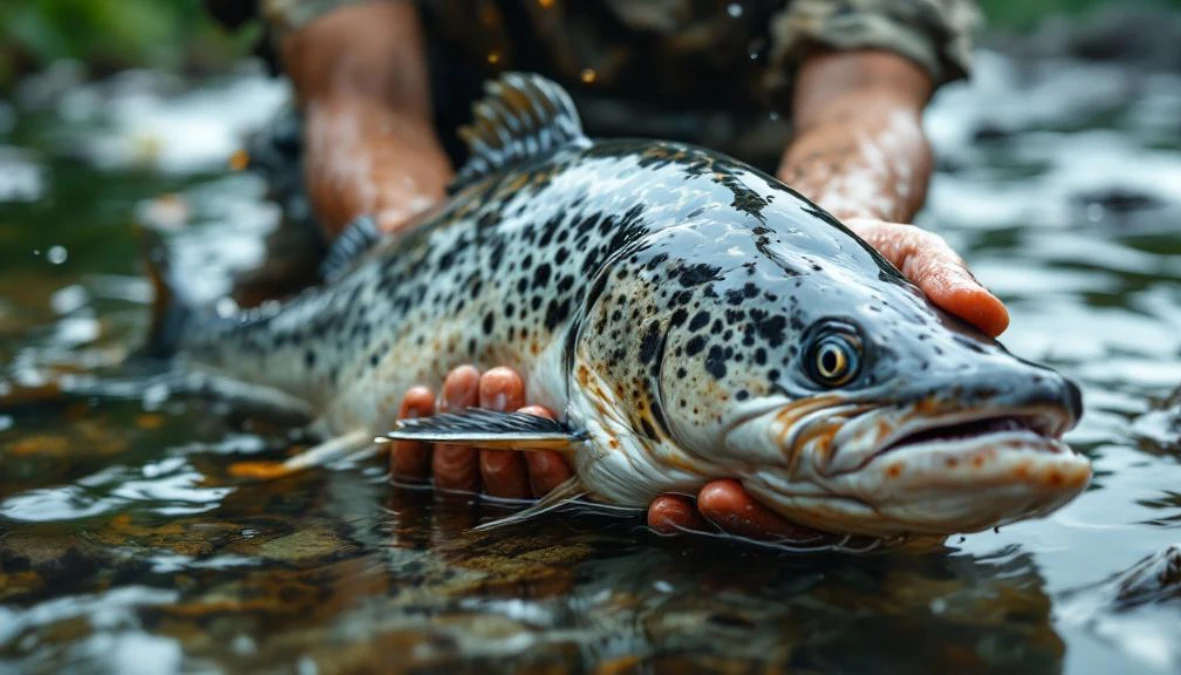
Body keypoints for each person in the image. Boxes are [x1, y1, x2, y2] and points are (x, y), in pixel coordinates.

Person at [206, 0, 1009, 542]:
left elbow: (864, 100)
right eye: (830, 365)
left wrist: (842, 234)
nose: (831, 371)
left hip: (748, 197)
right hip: (428, 194)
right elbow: (362, 102)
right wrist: (410, 245)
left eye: (830, 363)